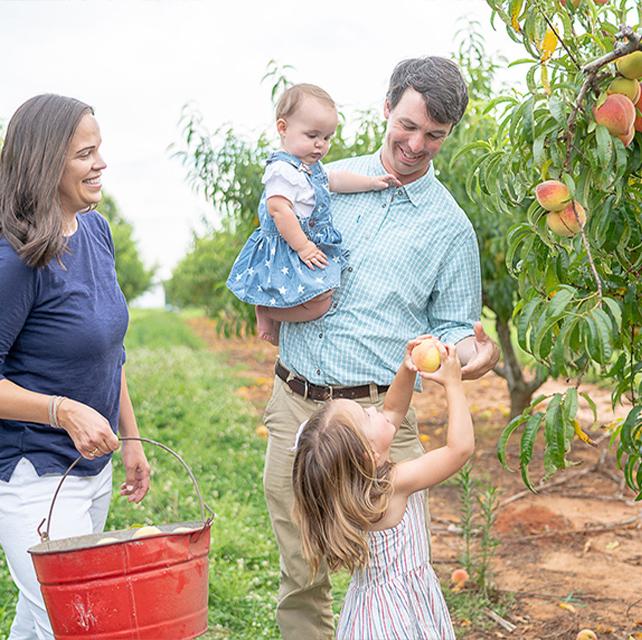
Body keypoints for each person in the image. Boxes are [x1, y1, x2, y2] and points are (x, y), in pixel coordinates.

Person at [263, 56, 501, 639]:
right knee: (302, 570)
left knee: (392, 567)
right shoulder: (325, 183)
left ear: (449, 135)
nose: (417, 145)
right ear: (386, 108)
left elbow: (451, 326)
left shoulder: (450, 228)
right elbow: (274, 250)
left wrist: (470, 356)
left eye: (435, 136)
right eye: (409, 126)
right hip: (298, 405)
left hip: (379, 417)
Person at [0, 94, 151, 640]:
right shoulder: (16, 259)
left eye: (100, 149)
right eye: (86, 153)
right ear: (46, 163)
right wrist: (61, 411)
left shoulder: (95, 231)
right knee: (77, 622)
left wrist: (130, 438)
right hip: (33, 476)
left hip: (90, 470)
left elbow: (109, 349)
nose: (101, 163)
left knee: (42, 618)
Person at [292, 337, 472, 639]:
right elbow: (459, 449)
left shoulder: (357, 487)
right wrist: (453, 385)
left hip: (371, 612)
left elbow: (392, 410)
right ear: (368, 454)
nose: (375, 411)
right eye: (366, 415)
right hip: (397, 616)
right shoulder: (393, 484)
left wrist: (408, 368)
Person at [226, 83, 399, 345]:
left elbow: (335, 180)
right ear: (283, 128)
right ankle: (267, 310)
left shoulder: (311, 168)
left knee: (322, 295)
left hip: (302, 244)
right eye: (312, 136)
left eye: (327, 137)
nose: (321, 145)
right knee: (320, 302)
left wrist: (372, 182)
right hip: (288, 246)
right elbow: (278, 210)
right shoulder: (282, 170)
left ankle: (271, 310)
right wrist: (304, 246)